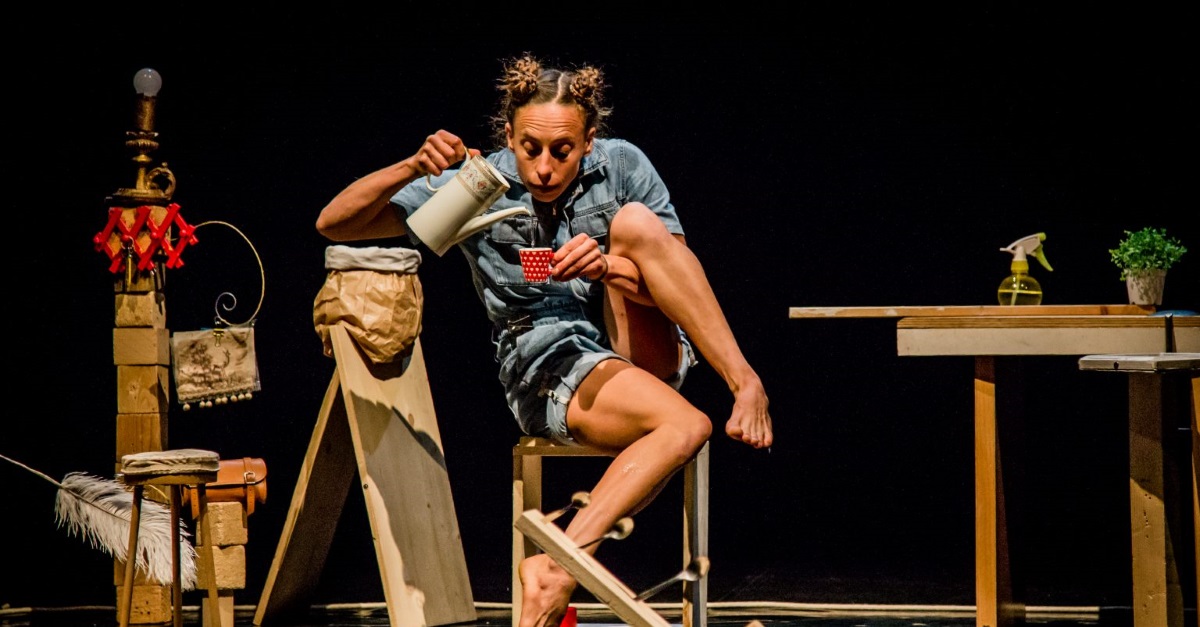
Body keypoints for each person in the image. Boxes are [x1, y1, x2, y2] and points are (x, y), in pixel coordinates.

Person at [315, 54, 773, 627]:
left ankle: (744, 381)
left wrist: (608, 268)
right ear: (508, 136)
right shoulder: (476, 185)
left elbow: (676, 284)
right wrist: (411, 167)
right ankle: (561, 566)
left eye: (563, 150)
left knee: (636, 225)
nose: (545, 168)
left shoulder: (621, 164)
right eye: (530, 148)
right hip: (549, 360)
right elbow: (335, 223)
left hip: (639, 340)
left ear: (588, 141)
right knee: (685, 427)